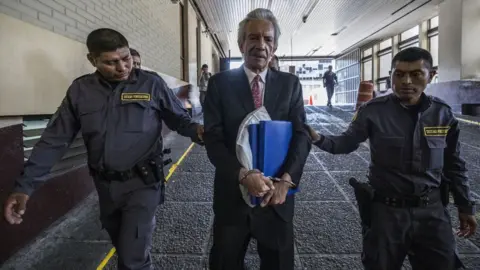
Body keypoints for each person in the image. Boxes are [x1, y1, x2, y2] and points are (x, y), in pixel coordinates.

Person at [3, 28, 204, 270]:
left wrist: (198, 131)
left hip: (144, 183)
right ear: (92, 60)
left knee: (132, 259)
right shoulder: (81, 91)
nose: (122, 67)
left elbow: (179, 120)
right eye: (111, 62)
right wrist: (25, 187)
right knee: (125, 248)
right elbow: (54, 140)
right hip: (106, 188)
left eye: (126, 58)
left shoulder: (151, 84)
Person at [307, 47, 477, 270]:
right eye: (399, 74)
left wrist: (465, 206)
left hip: (432, 213)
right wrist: (317, 138)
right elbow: (346, 143)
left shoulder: (442, 114)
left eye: (416, 74)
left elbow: (454, 164)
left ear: (431, 75)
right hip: (386, 214)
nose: (406, 81)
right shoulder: (373, 111)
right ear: (391, 77)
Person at [203, 8, 311, 270]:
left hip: (277, 198)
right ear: (242, 43)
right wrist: (243, 174)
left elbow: (302, 135)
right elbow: (214, 141)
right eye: (253, 37)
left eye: (268, 39)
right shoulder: (220, 84)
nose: (260, 45)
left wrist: (287, 180)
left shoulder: (290, 85)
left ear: (274, 46)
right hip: (232, 198)